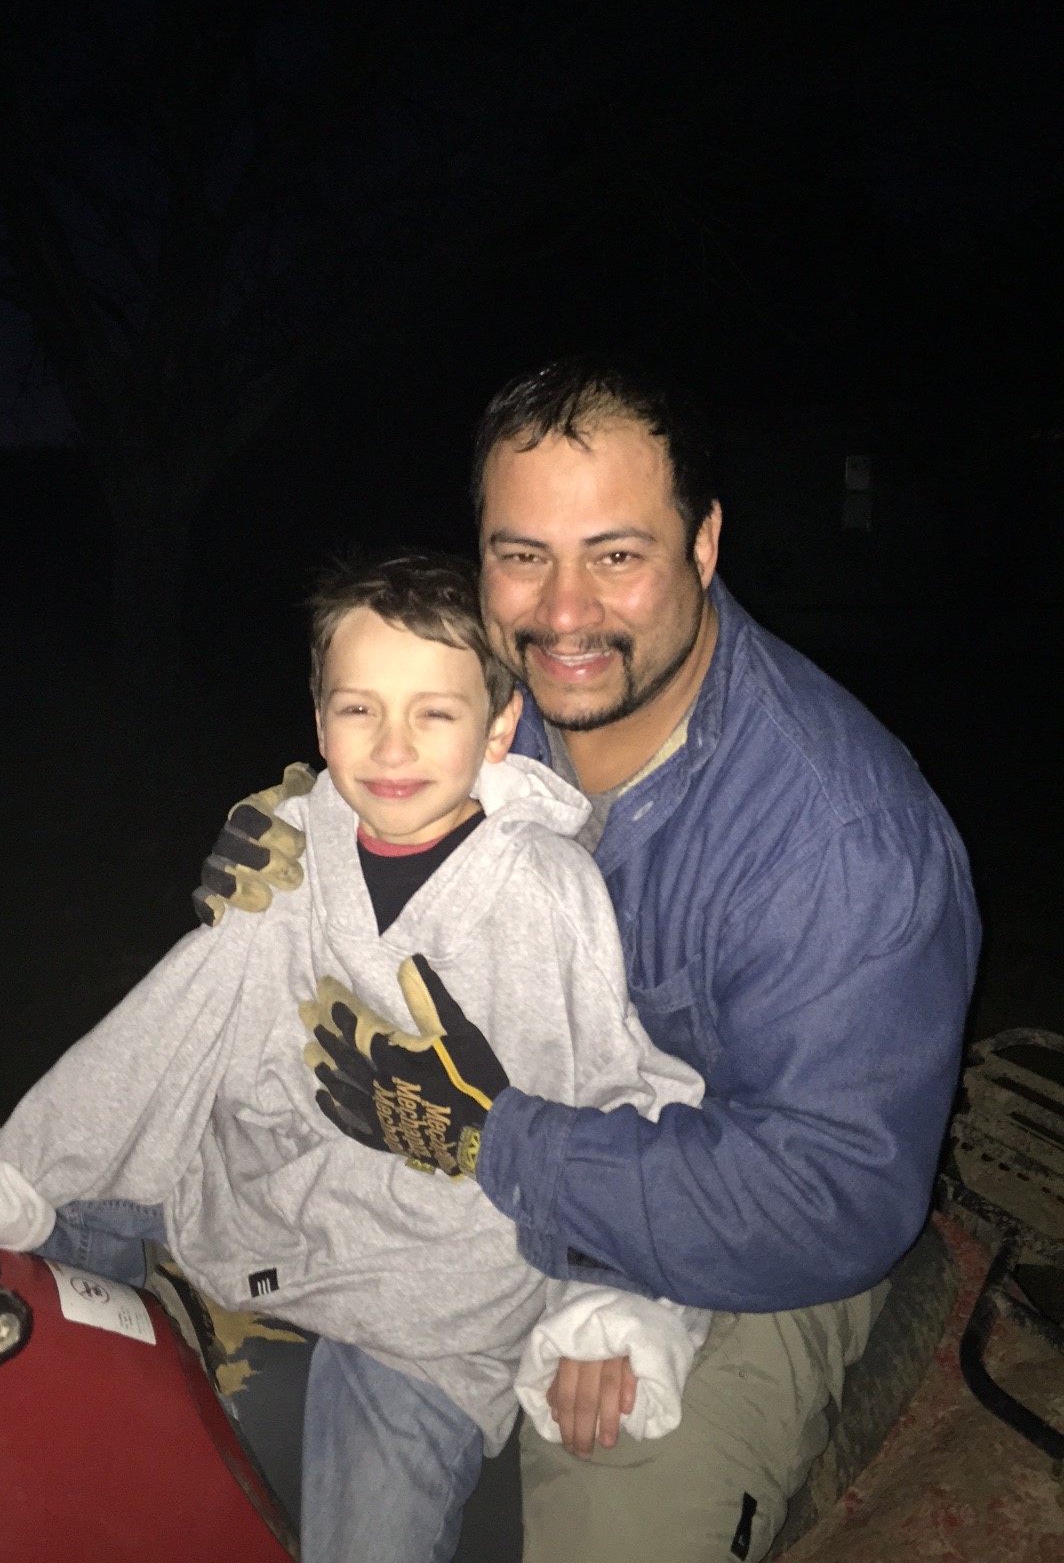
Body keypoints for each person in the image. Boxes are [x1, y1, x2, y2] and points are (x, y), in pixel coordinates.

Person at [199, 358, 982, 1563]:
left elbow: (831, 1193)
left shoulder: (843, 840)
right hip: (493, 1146)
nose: (563, 614)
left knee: (612, 1508)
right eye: (523, 556)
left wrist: (499, 1144)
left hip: (750, 1231)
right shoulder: (492, 707)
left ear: (704, 545)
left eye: (616, 555)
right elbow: (369, 855)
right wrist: (292, 861)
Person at [0, 553, 709, 1563]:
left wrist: (613, 1300)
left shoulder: (540, 897)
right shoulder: (293, 849)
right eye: (360, 709)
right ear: (320, 721)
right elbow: (172, 1027)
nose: (393, 745)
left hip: (432, 1297)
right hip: (277, 1206)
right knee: (30, 1242)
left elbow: (615, 1093)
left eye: (435, 713)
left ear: (499, 726)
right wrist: (8, 1180)